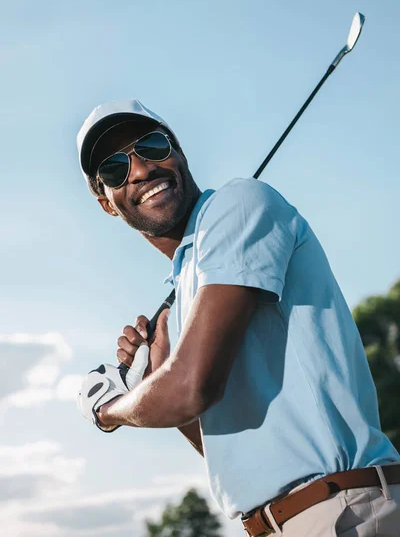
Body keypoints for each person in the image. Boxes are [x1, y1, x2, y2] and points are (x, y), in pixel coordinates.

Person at [77, 98, 400, 537]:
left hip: (342, 510)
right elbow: (232, 451)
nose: (139, 170)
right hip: (279, 522)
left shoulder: (239, 204)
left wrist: (109, 410)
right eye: (114, 169)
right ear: (106, 202)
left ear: (179, 152)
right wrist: (156, 375)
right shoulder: (189, 283)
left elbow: (192, 388)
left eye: (151, 145)